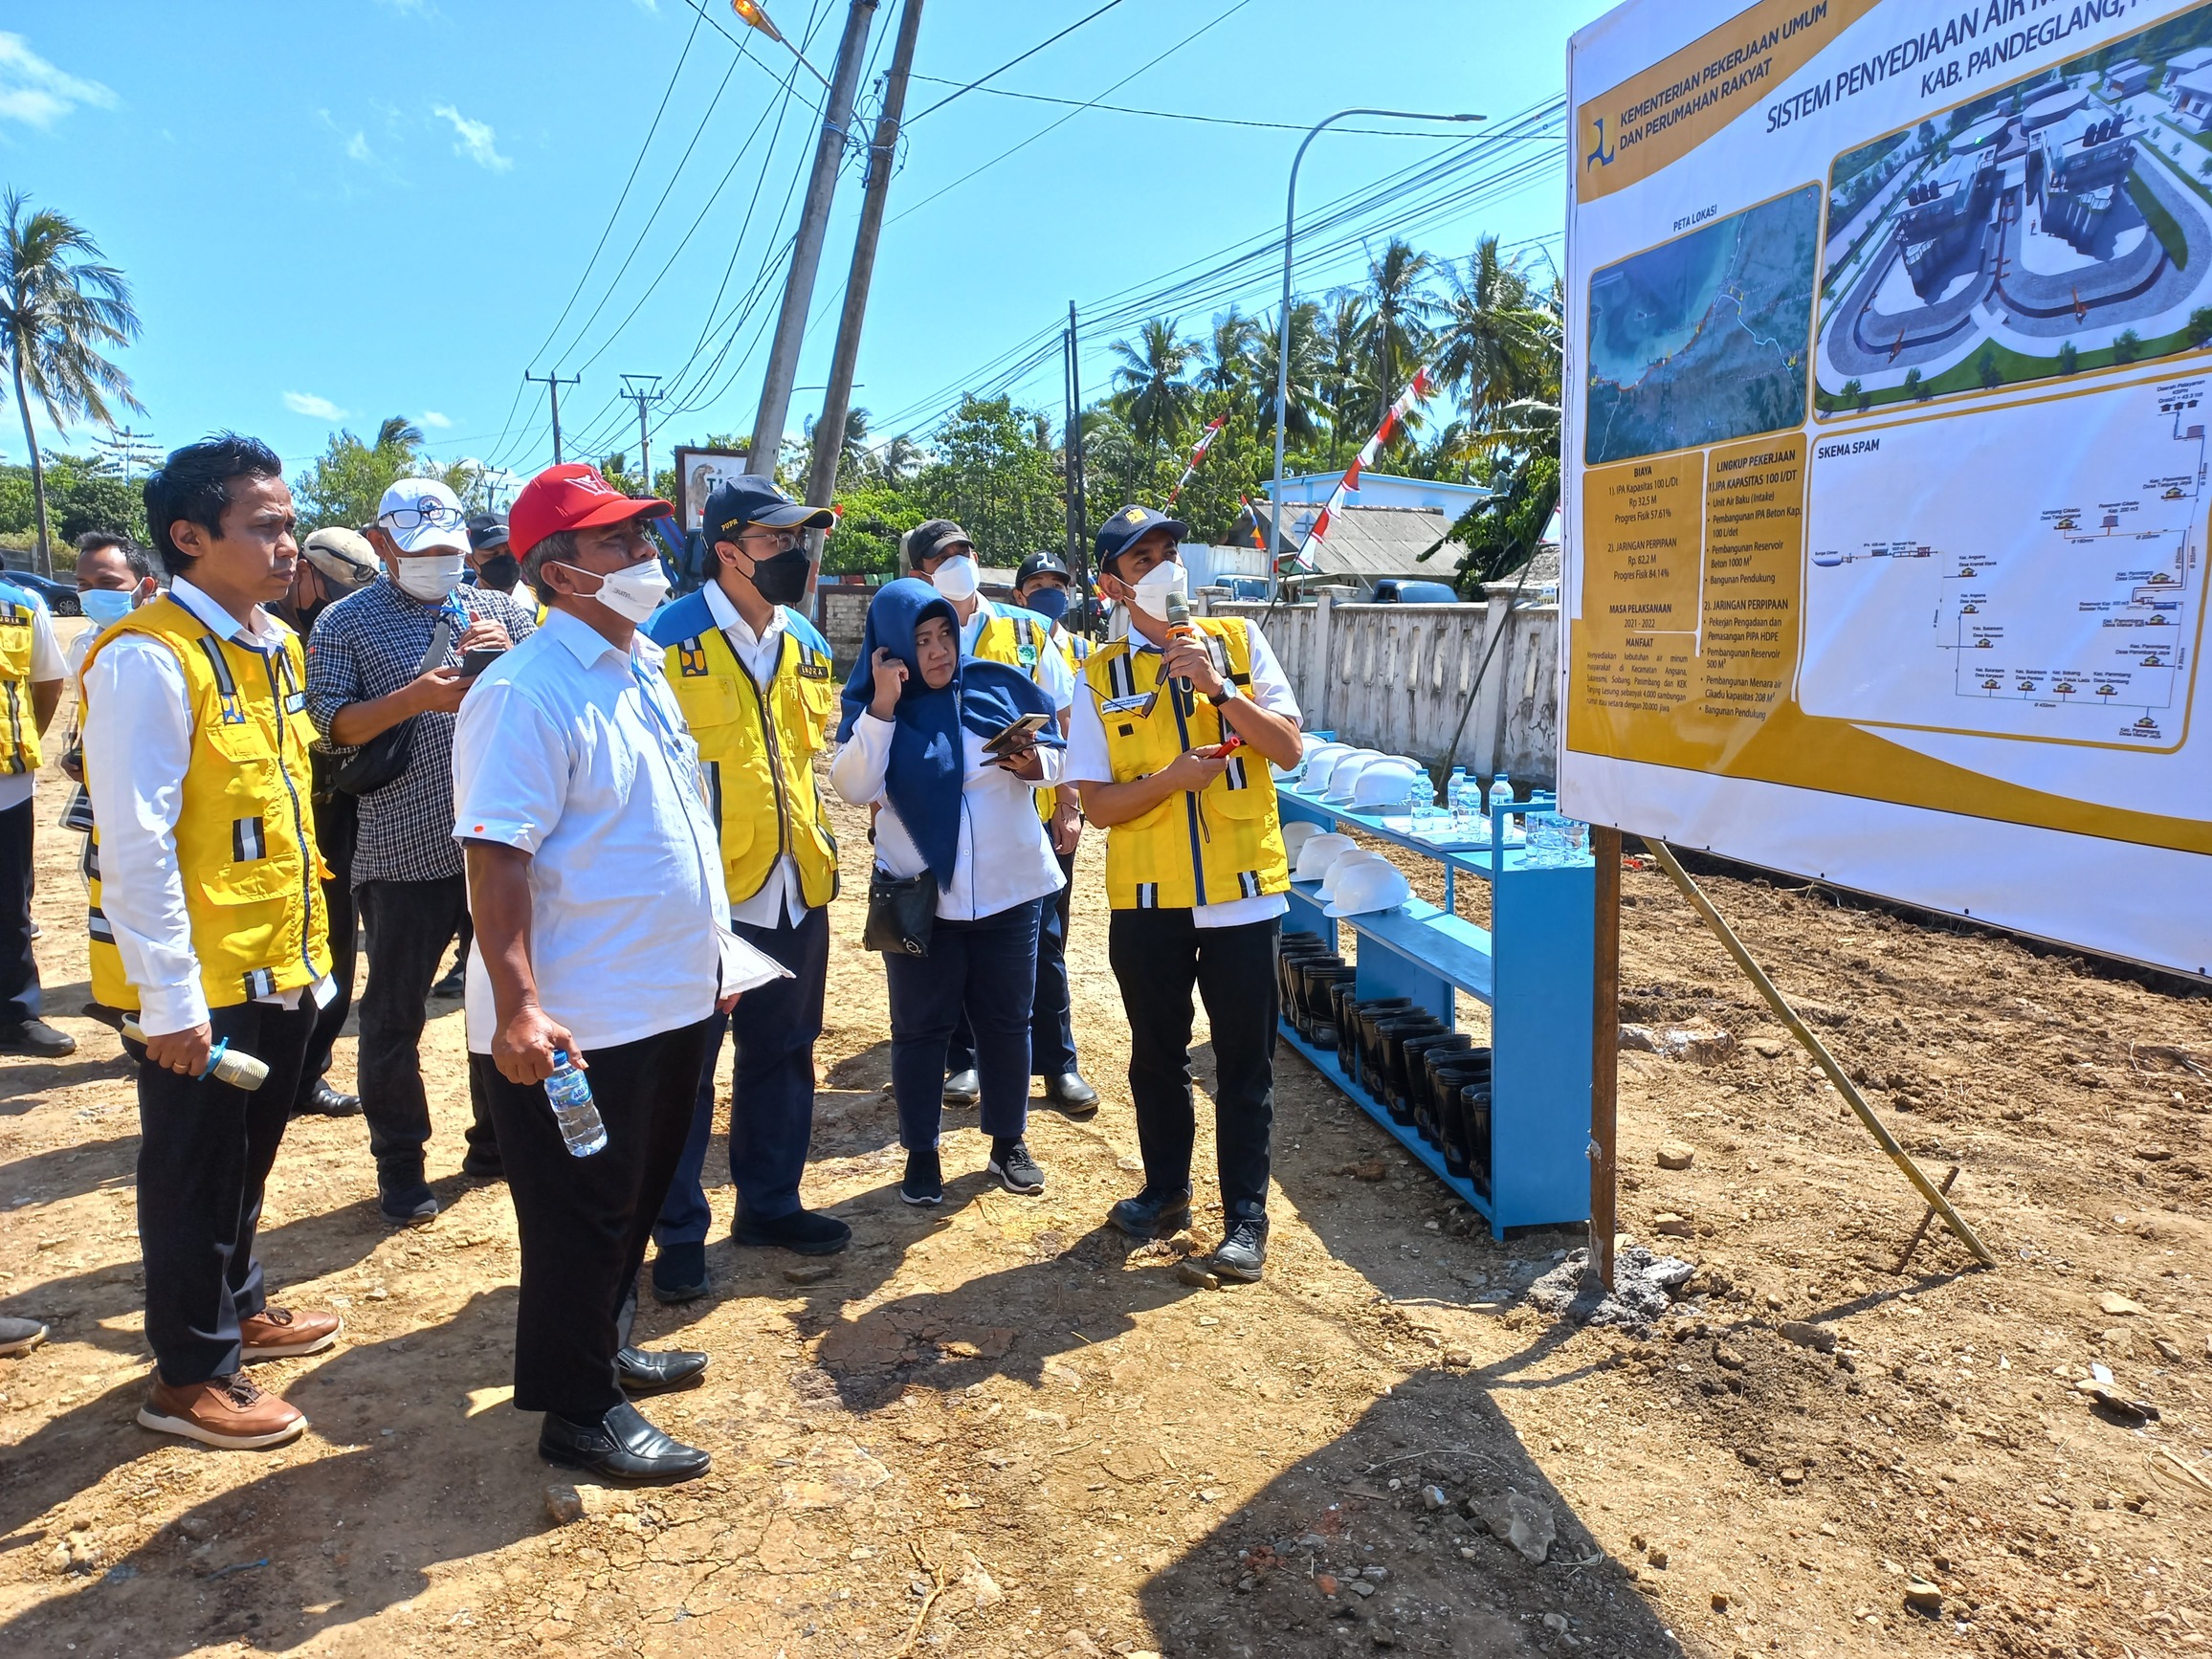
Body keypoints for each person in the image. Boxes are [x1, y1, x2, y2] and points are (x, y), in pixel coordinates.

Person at [453, 461, 782, 1484]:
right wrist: (519, 1009)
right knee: (579, 1216)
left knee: (634, 1196)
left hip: (665, 996)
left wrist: (712, 955)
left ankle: (604, 1350)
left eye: (644, 536)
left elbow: (669, 827)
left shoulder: (636, 666)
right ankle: (579, 1413)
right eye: (619, 544)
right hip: (578, 1016)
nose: (648, 556)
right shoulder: (522, 692)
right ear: (558, 574)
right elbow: (496, 855)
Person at [80, 434, 343, 1449]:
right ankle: (190, 1375)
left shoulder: (273, 643)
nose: (288, 544)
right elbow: (137, 842)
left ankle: (240, 1308)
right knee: (192, 1170)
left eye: (288, 522)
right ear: (191, 537)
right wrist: (168, 999)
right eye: (264, 525)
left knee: (249, 1154)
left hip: (279, 955)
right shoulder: (149, 658)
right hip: (199, 978)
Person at [1065, 507, 1304, 1283]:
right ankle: (1166, 1190)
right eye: (1143, 560)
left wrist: (1220, 688)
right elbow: (1096, 806)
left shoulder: (1236, 642)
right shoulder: (1100, 677)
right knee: (1155, 1058)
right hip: (1148, 901)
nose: (1165, 567)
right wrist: (1171, 780)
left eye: (1170, 551)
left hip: (1243, 898)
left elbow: (1289, 749)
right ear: (1112, 584)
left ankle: (1245, 1223)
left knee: (1244, 1066)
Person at [643, 476, 849, 1301]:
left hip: (796, 881)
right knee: (685, 1073)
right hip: (708, 895)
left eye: (800, 540)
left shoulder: (804, 639)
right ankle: (678, 1233)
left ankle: (769, 1202)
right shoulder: (663, 640)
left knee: (786, 1054)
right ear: (728, 551)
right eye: (775, 542)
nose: (794, 556)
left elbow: (806, 760)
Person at [308, 477, 535, 1224]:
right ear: (381, 545)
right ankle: (400, 1164)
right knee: (394, 1015)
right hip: (403, 847)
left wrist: (510, 661)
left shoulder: (499, 608)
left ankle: (496, 1141)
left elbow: (546, 698)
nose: (439, 563)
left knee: (499, 1001)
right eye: (421, 552)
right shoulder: (345, 622)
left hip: (500, 839)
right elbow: (330, 727)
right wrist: (415, 697)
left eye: (450, 551)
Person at [830, 579, 1063, 1206]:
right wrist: (882, 707)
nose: (937, 652)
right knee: (919, 1031)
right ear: (892, 648)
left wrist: (1035, 765)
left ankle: (1008, 1142)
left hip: (1010, 894)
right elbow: (854, 787)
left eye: (945, 637)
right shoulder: (878, 713)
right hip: (920, 899)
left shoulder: (994, 686)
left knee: (1008, 1023)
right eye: (921, 640)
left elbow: (1060, 760)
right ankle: (921, 1152)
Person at [900, 521, 1094, 1115]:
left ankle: (1057, 1063)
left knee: (1045, 947)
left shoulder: (1030, 629)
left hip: (1027, 820)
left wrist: (1068, 805)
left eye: (965, 550)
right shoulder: (906, 638)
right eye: (942, 557)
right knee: (953, 940)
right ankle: (965, 1061)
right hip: (940, 824)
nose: (958, 562)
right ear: (917, 575)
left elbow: (1065, 719)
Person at [274, 528, 380, 1117]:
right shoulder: (268, 634)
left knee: (337, 948)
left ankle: (308, 1074)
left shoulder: (343, 627)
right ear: (306, 573)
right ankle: (280, 1075)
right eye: (333, 587)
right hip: (286, 821)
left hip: (341, 813)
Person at [0, 555, 70, 1057]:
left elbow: (47, 683)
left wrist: (22, 747)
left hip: (6, 785)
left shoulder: (21, 605)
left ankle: (15, 1014)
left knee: (9, 905)